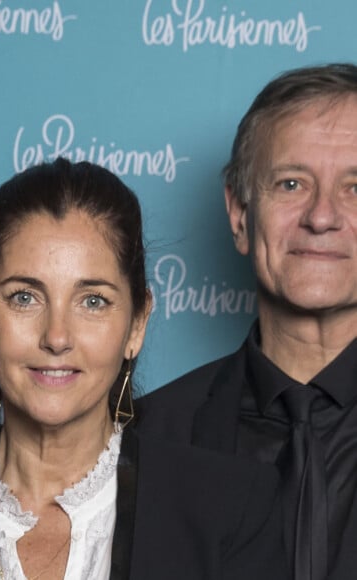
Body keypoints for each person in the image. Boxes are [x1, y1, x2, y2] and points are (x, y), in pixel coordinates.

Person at [0, 158, 286, 580]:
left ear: (137, 324)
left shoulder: (232, 510)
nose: (57, 336)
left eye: (93, 301)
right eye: (24, 297)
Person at [135, 62, 357, 580]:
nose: (322, 216)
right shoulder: (145, 441)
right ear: (239, 216)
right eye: (291, 183)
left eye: (356, 186)